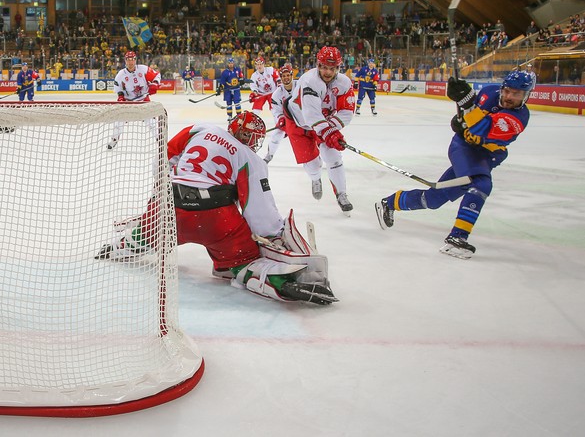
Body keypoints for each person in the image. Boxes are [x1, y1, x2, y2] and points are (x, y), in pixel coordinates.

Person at [96, 112, 338, 306]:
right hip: (215, 220)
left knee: (147, 232)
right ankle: (275, 282)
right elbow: (257, 210)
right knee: (245, 261)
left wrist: (166, 190)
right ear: (252, 139)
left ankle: (121, 246)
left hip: (168, 209)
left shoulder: (200, 129)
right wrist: (275, 234)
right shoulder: (250, 158)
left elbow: (166, 155)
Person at [375, 70, 533, 259]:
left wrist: (465, 106)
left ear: (526, 95)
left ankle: (390, 202)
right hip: (464, 148)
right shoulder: (489, 92)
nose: (509, 97)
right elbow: (466, 115)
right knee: (481, 184)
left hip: (485, 156)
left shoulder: (518, 118)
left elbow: (481, 128)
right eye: (507, 91)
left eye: (516, 94)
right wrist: (460, 103)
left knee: (433, 200)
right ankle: (457, 238)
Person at [279, 45, 356, 215]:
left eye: (332, 68)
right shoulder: (309, 80)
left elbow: (347, 111)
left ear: (338, 68)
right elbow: (311, 114)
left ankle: (341, 193)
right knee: (312, 164)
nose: (328, 72)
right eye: (324, 67)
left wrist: (333, 129)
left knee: (333, 156)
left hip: (323, 122)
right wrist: (330, 132)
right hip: (298, 123)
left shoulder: (344, 83)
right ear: (318, 65)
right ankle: (315, 179)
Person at [108, 50, 160, 149]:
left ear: (135, 60)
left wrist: (155, 84)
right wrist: (120, 97)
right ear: (125, 61)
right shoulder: (121, 74)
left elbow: (156, 75)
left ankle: (159, 140)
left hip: (143, 100)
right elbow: (118, 88)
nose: (130, 62)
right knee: (118, 121)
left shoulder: (143, 69)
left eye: (132, 60)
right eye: (128, 60)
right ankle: (114, 140)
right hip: (129, 102)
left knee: (152, 123)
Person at [263, 63, 295, 163]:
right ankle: (269, 155)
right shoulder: (277, 94)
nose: (286, 78)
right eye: (283, 76)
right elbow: (276, 110)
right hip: (288, 120)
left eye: (288, 75)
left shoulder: (300, 86)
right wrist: (281, 118)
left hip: (303, 119)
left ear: (291, 75)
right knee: (277, 134)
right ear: (280, 77)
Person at [217, 57, 244, 122]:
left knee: (237, 103)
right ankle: (229, 116)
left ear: (233, 63)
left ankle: (239, 116)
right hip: (227, 90)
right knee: (229, 103)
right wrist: (219, 88)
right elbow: (222, 82)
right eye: (229, 63)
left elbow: (241, 77)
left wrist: (242, 80)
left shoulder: (238, 70)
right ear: (228, 64)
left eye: (232, 63)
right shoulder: (225, 72)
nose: (231, 64)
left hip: (236, 90)